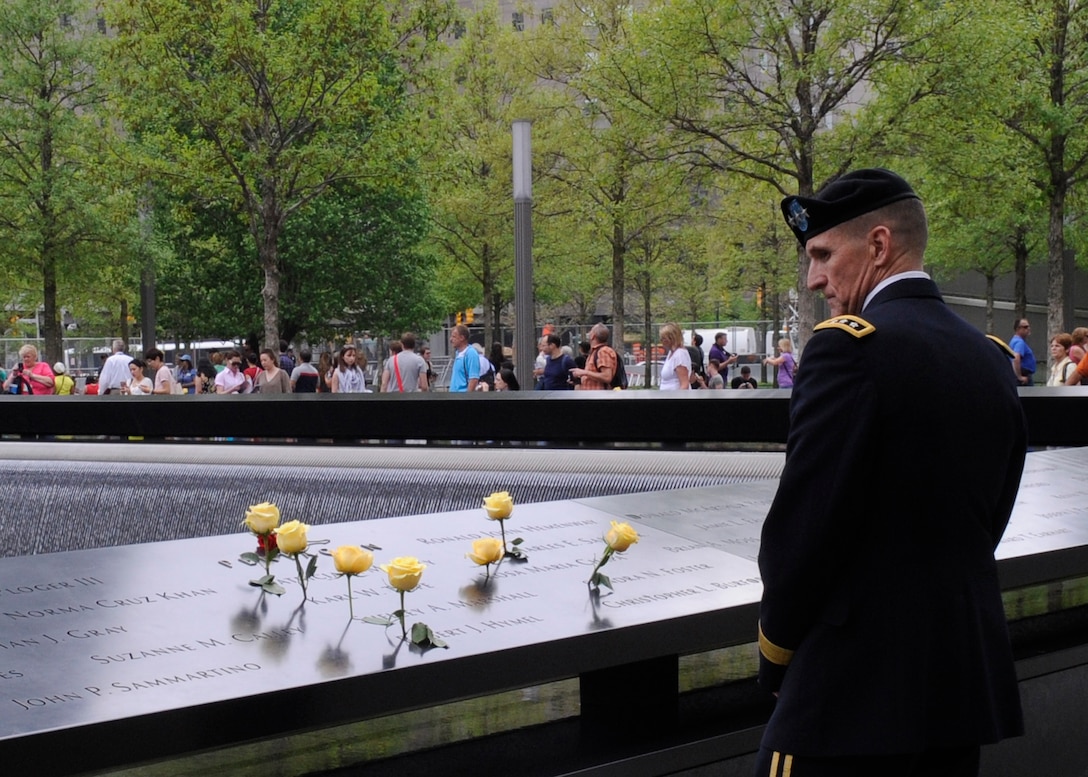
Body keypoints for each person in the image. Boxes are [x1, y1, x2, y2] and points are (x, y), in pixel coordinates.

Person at [757, 169, 1026, 776]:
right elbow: (987, 521)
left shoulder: (846, 348)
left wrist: (776, 657)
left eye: (823, 255)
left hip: (848, 699)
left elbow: (803, 533)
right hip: (957, 699)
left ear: (878, 247)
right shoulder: (988, 358)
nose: (814, 278)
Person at [570, 323, 618, 390]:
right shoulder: (595, 352)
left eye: (591, 331)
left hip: (598, 398)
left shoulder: (603, 352)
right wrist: (580, 380)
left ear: (593, 336)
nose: (589, 333)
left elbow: (607, 377)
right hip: (592, 396)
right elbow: (593, 376)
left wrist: (584, 372)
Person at [658, 322, 691, 390]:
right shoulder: (671, 353)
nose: (661, 341)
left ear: (671, 338)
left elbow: (684, 385)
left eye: (663, 338)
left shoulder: (679, 355)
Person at [449, 324, 479, 392]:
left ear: (462, 338)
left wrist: (466, 399)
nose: (451, 339)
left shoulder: (471, 353)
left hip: (462, 398)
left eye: (454, 337)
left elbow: (474, 379)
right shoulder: (458, 353)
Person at [1009, 318, 1036, 386]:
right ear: (1018, 329)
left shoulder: (1014, 341)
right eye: (1025, 327)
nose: (1028, 328)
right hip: (1023, 377)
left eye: (1029, 326)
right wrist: (1019, 377)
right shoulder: (1019, 342)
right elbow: (1016, 358)